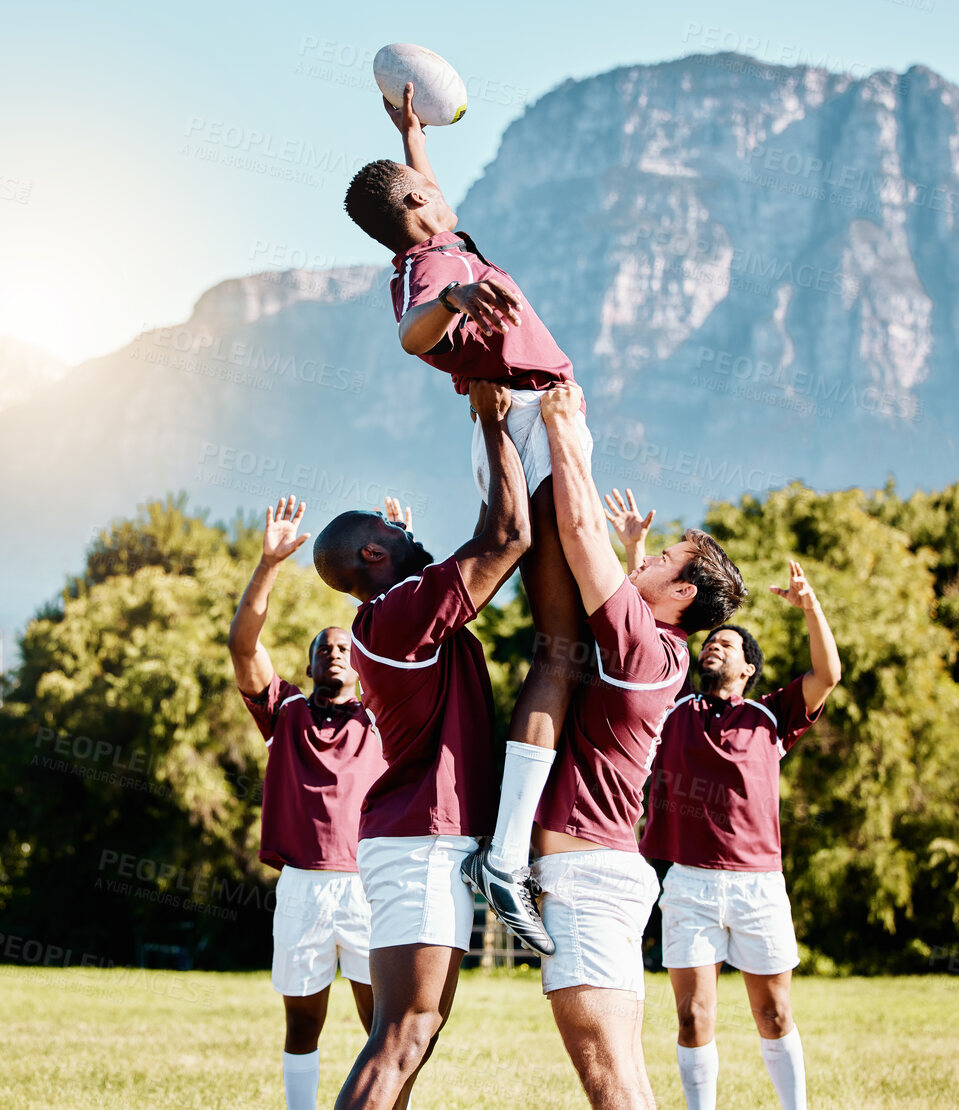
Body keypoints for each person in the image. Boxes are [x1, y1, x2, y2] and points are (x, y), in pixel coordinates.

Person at [343, 81, 594, 954]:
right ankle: (512, 849)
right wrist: (450, 309)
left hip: (532, 420)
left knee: (573, 651)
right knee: (562, 652)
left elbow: (421, 210)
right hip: (525, 422)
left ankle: (519, 840)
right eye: (426, 184)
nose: (438, 185)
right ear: (417, 208)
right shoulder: (431, 273)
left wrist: (413, 133)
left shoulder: (432, 239)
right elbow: (414, 328)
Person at [311, 379, 529, 1110]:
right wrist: (494, 424)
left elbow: (477, 547)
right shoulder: (399, 615)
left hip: (424, 842)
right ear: (374, 550)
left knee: (413, 1034)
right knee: (403, 1032)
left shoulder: (398, 611)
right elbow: (504, 539)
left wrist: (487, 438)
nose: (411, 533)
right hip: (417, 843)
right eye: (394, 531)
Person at [531, 383, 747, 1109]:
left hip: (587, 878)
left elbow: (579, 534)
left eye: (662, 557)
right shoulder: (659, 648)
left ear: (682, 595)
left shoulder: (642, 643)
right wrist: (634, 558)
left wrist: (565, 430)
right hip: (603, 871)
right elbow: (612, 581)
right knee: (623, 1076)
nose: (648, 557)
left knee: (610, 1081)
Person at [611, 485, 837, 1110]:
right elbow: (637, 623)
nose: (717, 645)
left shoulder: (772, 718)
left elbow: (828, 675)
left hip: (760, 885)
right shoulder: (674, 706)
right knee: (691, 1018)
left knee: (773, 1013)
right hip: (688, 883)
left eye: (730, 645)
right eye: (714, 640)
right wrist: (634, 549)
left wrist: (809, 605)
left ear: (749, 670)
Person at [228, 495, 389, 1110]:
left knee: (381, 1028)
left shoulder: (381, 715)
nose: (336, 651)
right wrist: (269, 563)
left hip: (368, 885)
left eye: (345, 646)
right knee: (302, 1026)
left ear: (360, 663)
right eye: (324, 647)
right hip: (301, 886)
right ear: (308, 662)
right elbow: (244, 646)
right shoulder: (286, 713)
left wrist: (390, 561)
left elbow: (413, 638)